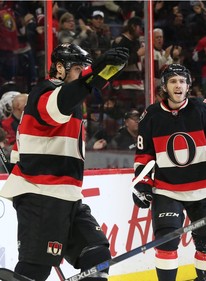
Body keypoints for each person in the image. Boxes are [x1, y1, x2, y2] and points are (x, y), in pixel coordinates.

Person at [0, 43, 129, 280]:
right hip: (41, 194)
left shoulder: (71, 97)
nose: (83, 73)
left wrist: (100, 74)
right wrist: (93, 75)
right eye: (79, 68)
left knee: (96, 254)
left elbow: (83, 89)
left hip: (67, 196)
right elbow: (62, 101)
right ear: (60, 67)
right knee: (35, 269)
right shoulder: (45, 91)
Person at [133, 64, 206, 281]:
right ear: (164, 86)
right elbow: (144, 156)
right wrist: (142, 182)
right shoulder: (150, 116)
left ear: (188, 86)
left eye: (182, 81)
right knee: (166, 243)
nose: (178, 85)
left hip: (202, 190)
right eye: (172, 81)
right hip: (167, 190)